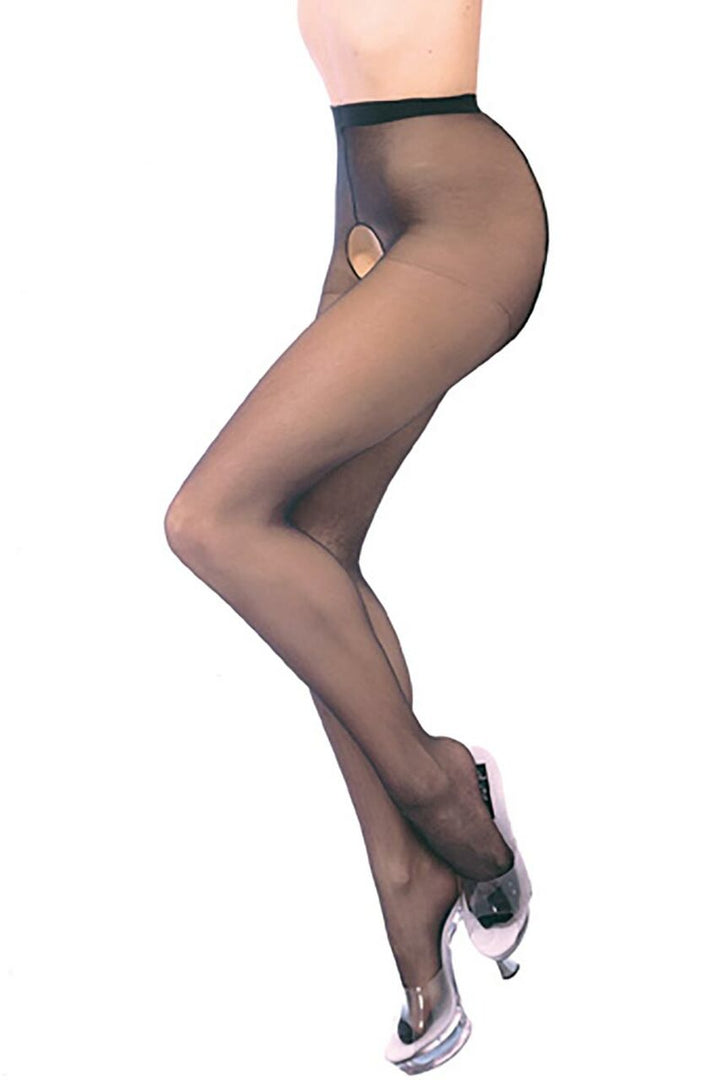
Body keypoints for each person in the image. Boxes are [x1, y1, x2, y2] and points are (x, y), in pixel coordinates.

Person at [163, 0, 548, 1071]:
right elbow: (360, 126)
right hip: (376, 229)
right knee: (309, 547)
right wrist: (345, 273)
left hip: (473, 229)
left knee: (210, 519)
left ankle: (442, 789)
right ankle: (407, 873)